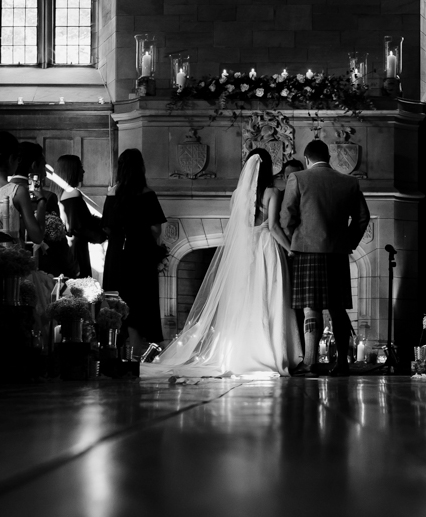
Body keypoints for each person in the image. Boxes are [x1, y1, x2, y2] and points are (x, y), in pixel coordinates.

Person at [141, 148, 299, 378]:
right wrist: (291, 249)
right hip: (266, 249)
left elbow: (237, 226)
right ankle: (270, 351)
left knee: (245, 300)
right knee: (268, 296)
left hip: (244, 249)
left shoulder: (237, 194)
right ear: (268, 168)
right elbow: (273, 227)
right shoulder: (272, 192)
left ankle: (241, 351)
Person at [279, 139, 372, 372]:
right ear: (329, 157)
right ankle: (341, 362)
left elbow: (286, 218)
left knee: (311, 307)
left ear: (307, 159)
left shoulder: (298, 178)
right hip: (337, 252)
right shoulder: (349, 182)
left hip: (306, 252)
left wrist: (295, 241)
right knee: (338, 307)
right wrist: (346, 241)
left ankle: (311, 362)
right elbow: (362, 218)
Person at [103, 149, 168, 349]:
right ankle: (140, 345)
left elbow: (106, 226)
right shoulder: (147, 194)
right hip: (140, 254)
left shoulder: (112, 193)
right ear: (140, 168)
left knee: (117, 296)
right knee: (141, 299)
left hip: (116, 254)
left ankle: (117, 343)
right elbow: (156, 229)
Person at [49, 155, 107, 279]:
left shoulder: (57, 193)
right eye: (80, 167)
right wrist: (105, 232)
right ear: (72, 170)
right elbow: (81, 225)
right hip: (76, 250)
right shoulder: (72, 193)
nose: (83, 171)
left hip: (67, 249)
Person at [0, 142, 47, 243]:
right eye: (43, 166)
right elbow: (37, 237)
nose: (46, 174)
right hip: (15, 252)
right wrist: (42, 201)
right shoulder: (20, 192)